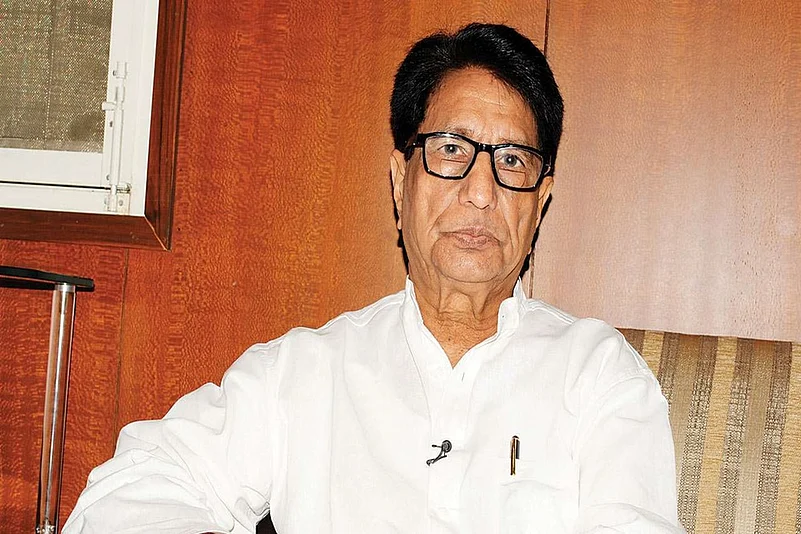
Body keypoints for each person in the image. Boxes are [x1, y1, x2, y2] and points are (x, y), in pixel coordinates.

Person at [64, 23, 683, 534]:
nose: (480, 191)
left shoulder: (597, 373)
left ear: (539, 202)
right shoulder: (306, 372)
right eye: (451, 150)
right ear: (400, 179)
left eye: (512, 160)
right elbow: (125, 494)